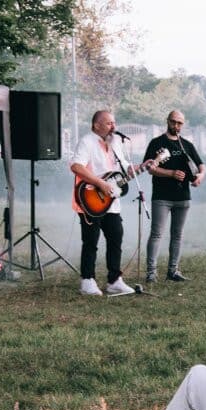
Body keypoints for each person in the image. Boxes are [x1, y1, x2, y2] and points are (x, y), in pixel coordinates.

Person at [71, 111, 146, 296]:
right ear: (96, 125)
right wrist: (100, 183)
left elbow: (126, 169)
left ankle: (114, 280)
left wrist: (145, 165)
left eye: (114, 122)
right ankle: (87, 280)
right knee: (91, 241)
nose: (113, 126)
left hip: (111, 202)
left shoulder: (116, 144)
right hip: (90, 200)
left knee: (115, 238)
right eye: (108, 123)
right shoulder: (87, 141)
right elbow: (76, 166)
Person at [144, 111, 206, 282]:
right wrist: (170, 173)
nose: (176, 126)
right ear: (167, 121)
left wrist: (200, 176)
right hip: (162, 196)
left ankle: (173, 271)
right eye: (173, 122)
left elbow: (202, 165)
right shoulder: (156, 143)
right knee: (157, 234)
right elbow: (149, 168)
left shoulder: (187, 144)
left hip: (183, 196)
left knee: (177, 235)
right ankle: (151, 272)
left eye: (180, 123)